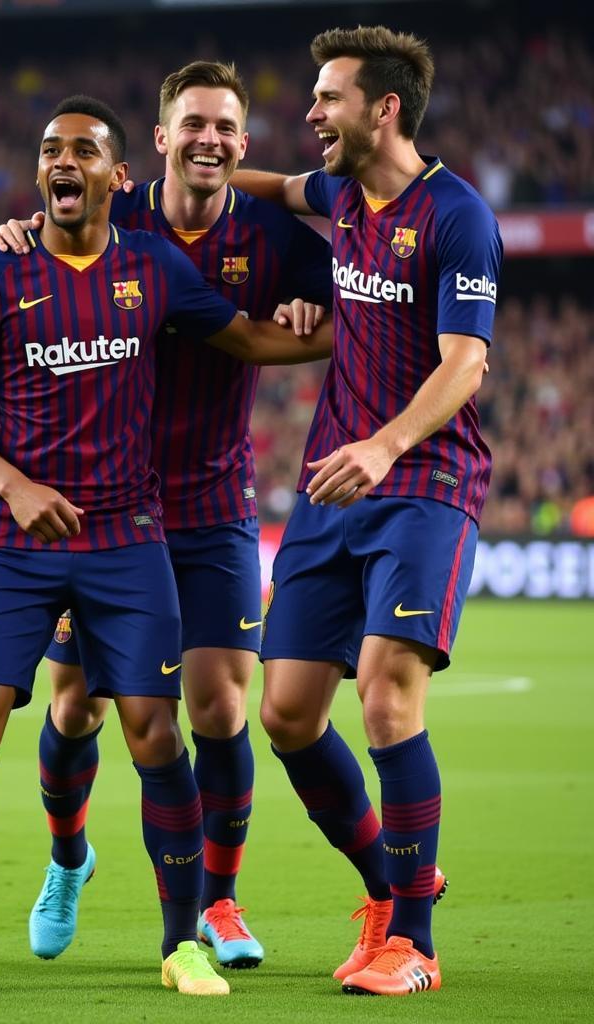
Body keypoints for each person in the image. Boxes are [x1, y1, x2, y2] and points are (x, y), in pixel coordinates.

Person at [0, 95, 331, 1000]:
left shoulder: (152, 266)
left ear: (116, 177)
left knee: (156, 727)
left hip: (131, 536)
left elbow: (243, 339)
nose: (64, 160)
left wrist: (340, 333)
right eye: (51, 147)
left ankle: (184, 945)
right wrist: (11, 484)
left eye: (85, 149)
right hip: (15, 538)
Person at [229, 26, 502, 995]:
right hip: (330, 488)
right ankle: (387, 892)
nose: (310, 111)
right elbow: (268, 190)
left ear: (381, 108)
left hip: (422, 485)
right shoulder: (340, 195)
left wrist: (387, 441)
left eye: (326, 97)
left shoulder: (458, 217)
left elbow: (465, 363)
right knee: (289, 714)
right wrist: (186, 171)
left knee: (386, 697)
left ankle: (415, 944)